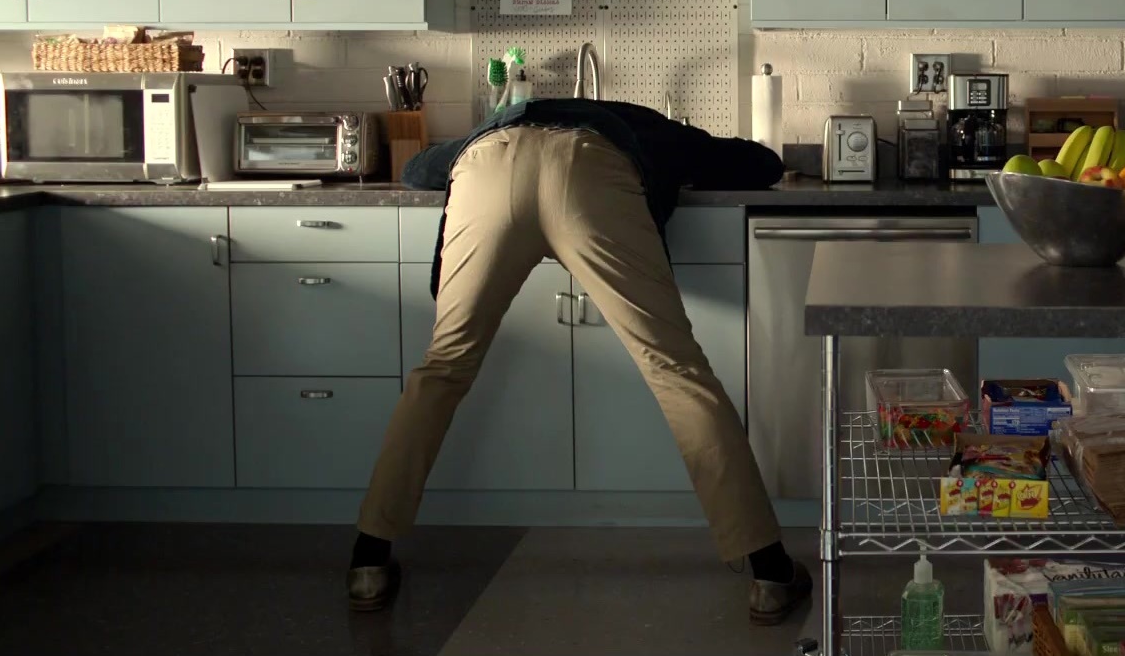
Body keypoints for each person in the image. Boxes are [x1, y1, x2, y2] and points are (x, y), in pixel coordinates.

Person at [347, 98, 811, 626]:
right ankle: (770, 572)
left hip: (488, 167)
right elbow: (761, 164)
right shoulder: (646, 126)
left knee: (444, 366)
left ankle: (368, 561)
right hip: (590, 173)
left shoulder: (504, 119)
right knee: (676, 371)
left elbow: (416, 170)